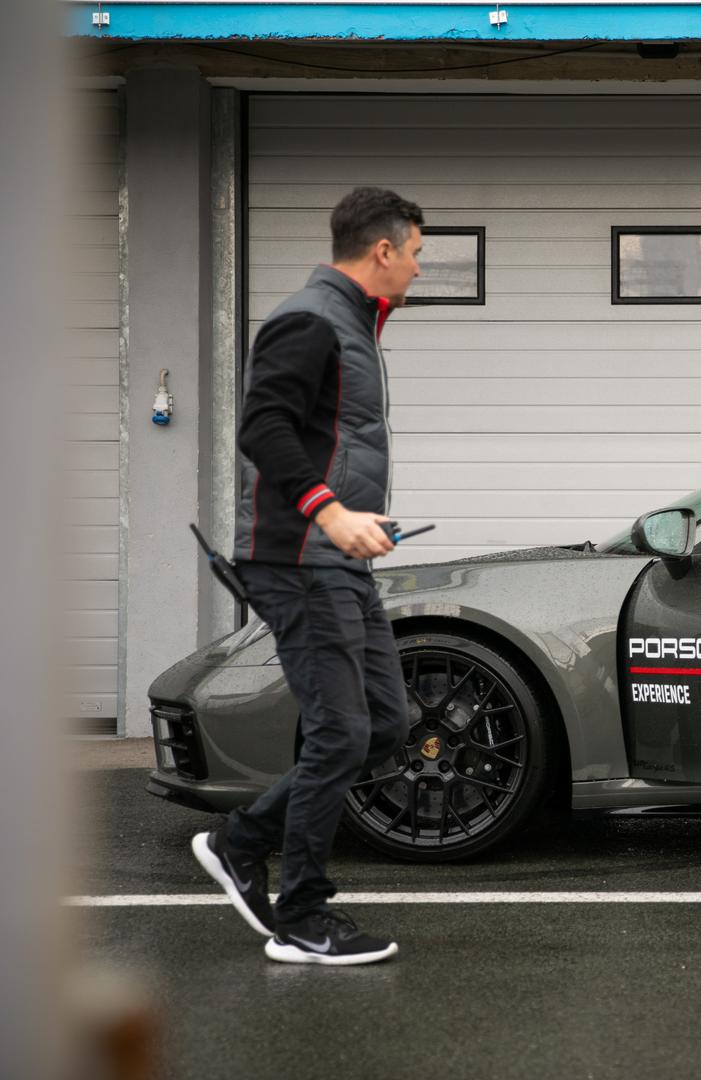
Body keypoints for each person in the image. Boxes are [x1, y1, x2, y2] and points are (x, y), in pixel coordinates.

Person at [190, 187, 423, 966]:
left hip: (336, 558)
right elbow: (262, 427)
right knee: (341, 731)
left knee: (385, 723)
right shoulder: (310, 319)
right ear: (383, 250)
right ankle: (301, 916)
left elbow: (327, 442)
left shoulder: (351, 324)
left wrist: (356, 518)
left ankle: (242, 840)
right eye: (416, 253)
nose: (419, 268)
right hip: (296, 559)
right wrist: (328, 512)